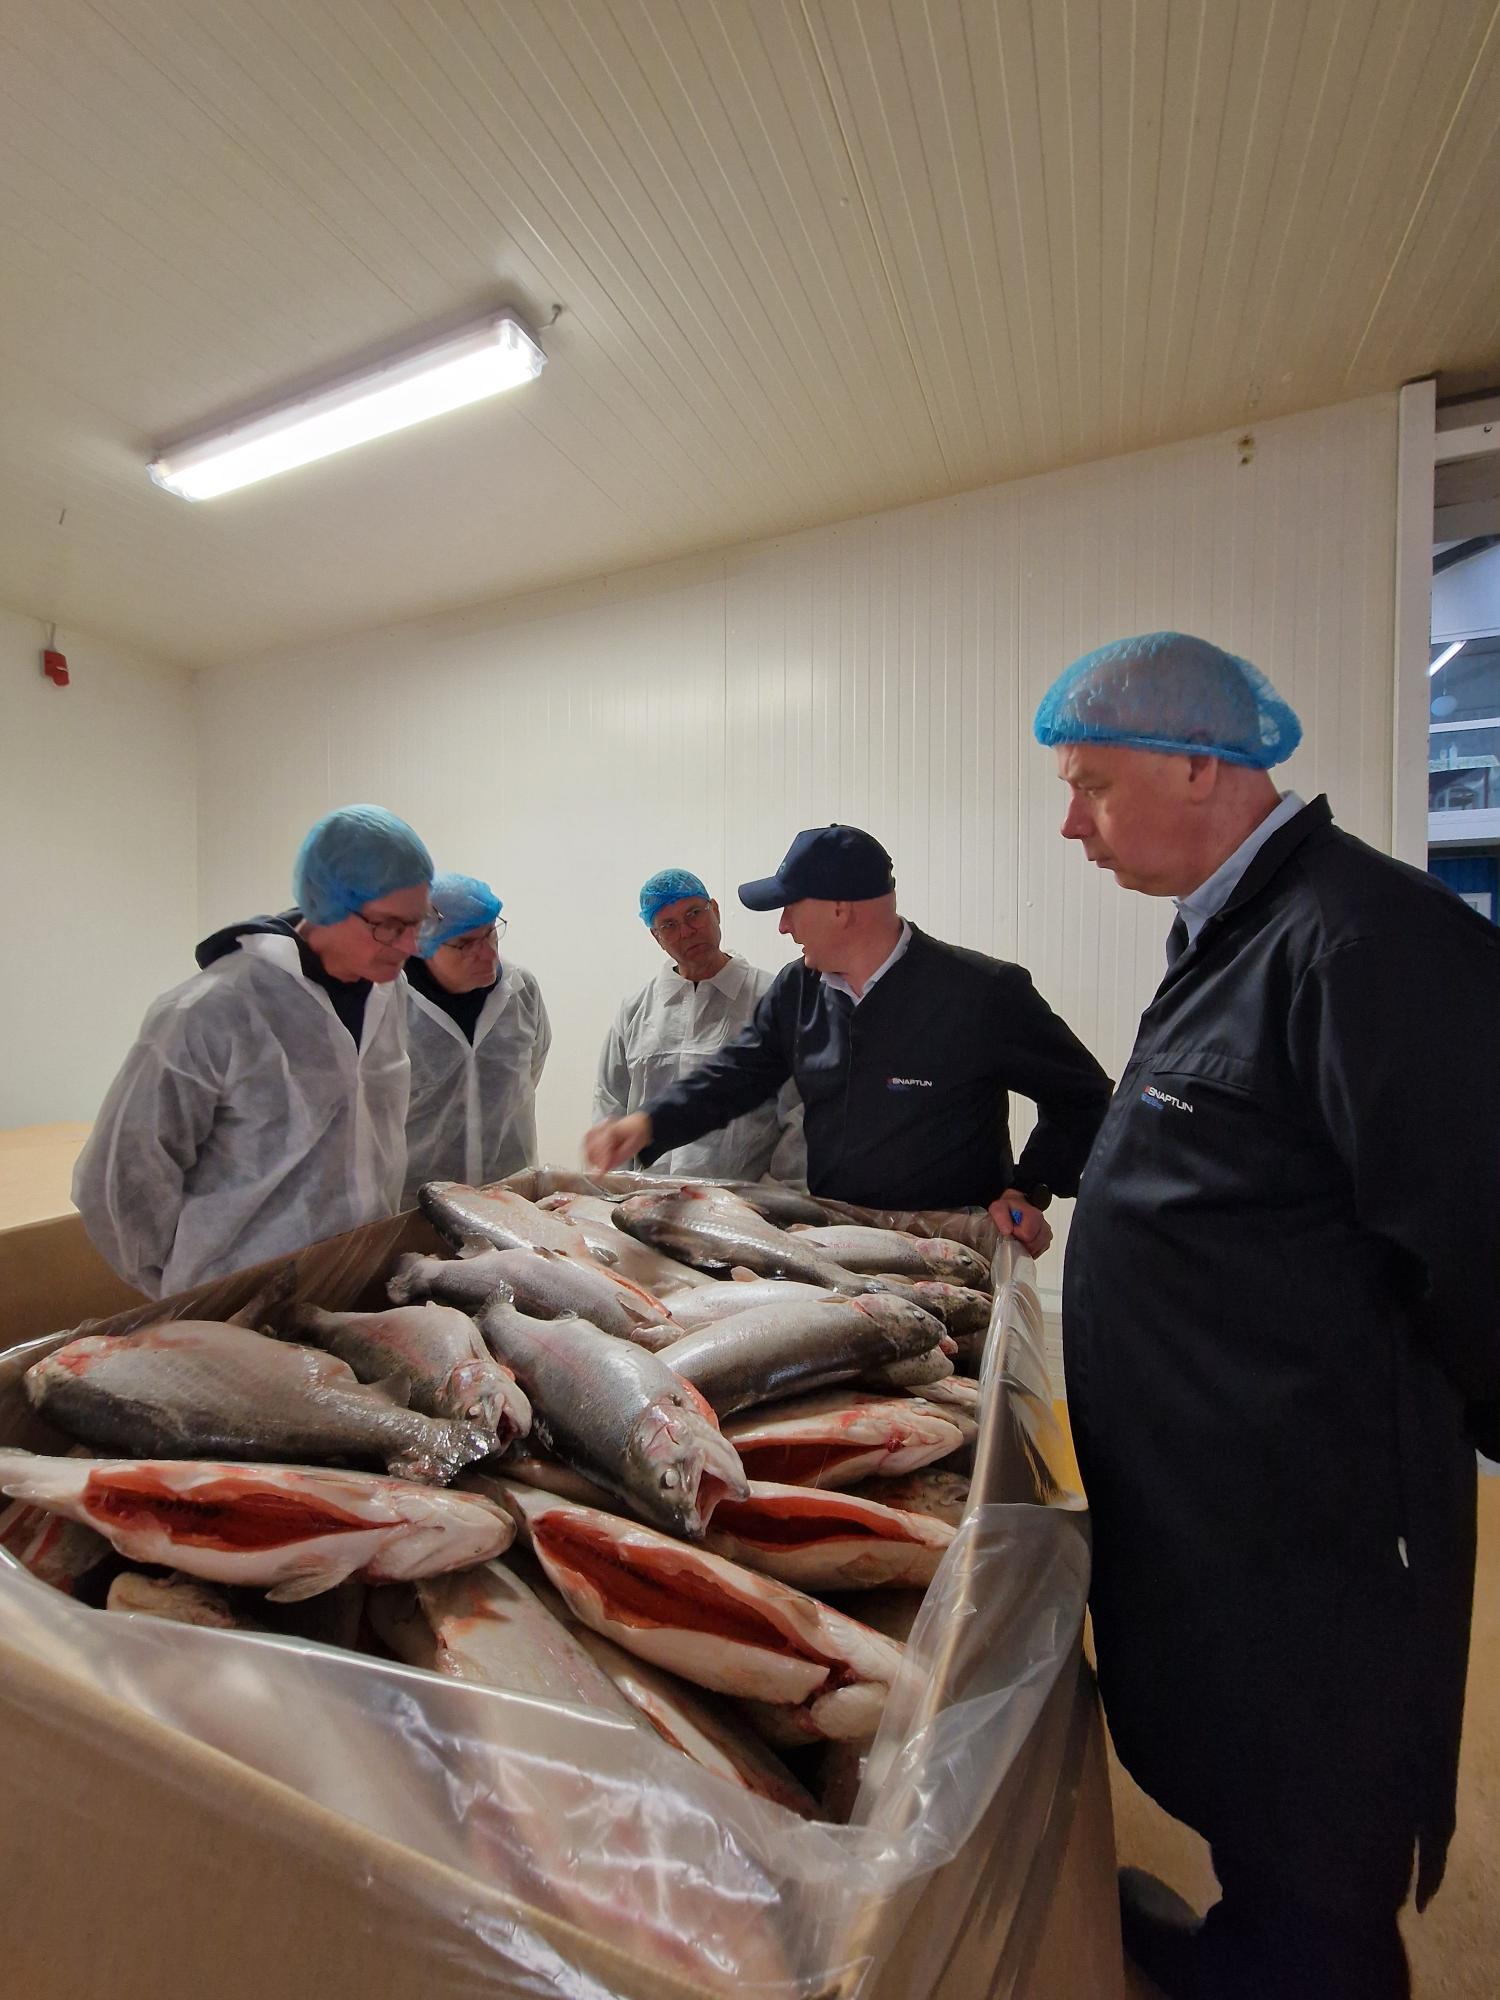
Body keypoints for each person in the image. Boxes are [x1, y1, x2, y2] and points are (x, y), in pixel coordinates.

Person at [1035, 630, 1500, 1999]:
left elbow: (1481, 1237)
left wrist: (1413, 1441)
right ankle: (1248, 1948)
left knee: (1320, 1818)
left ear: (1201, 763)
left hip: (1318, 1515)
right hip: (1221, 1496)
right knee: (1249, 1783)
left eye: (1093, 786)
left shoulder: (1367, 941)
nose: (1071, 824)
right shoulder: (1236, 931)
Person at [585, 829, 1109, 1245]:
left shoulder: (982, 992)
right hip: (839, 1237)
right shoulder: (800, 987)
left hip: (953, 1236)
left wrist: (1030, 1185)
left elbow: (1082, 1095)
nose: (784, 926)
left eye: (791, 907)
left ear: (841, 909)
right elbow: (738, 1076)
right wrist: (650, 1124)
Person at [74, 804, 434, 1298]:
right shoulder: (209, 1012)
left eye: (419, 922)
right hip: (235, 1302)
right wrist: (188, 1286)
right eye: (391, 926)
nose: (411, 945)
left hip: (357, 1283)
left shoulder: (387, 994)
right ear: (327, 904)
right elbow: (119, 1180)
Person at [593, 869, 805, 1184]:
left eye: (694, 913)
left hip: (744, 1206)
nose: (687, 931)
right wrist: (614, 1193)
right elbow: (611, 1103)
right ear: (656, 937)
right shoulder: (635, 1011)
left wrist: (782, 1197)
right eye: (669, 925)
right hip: (648, 1203)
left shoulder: (769, 996)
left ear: (715, 911)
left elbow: (797, 1109)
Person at [402, 871, 551, 1201]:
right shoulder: (392, 1004)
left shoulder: (521, 990)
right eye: (465, 944)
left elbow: (532, 1069)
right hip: (415, 1205)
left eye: (491, 935)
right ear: (422, 946)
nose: (488, 955)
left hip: (511, 1196)